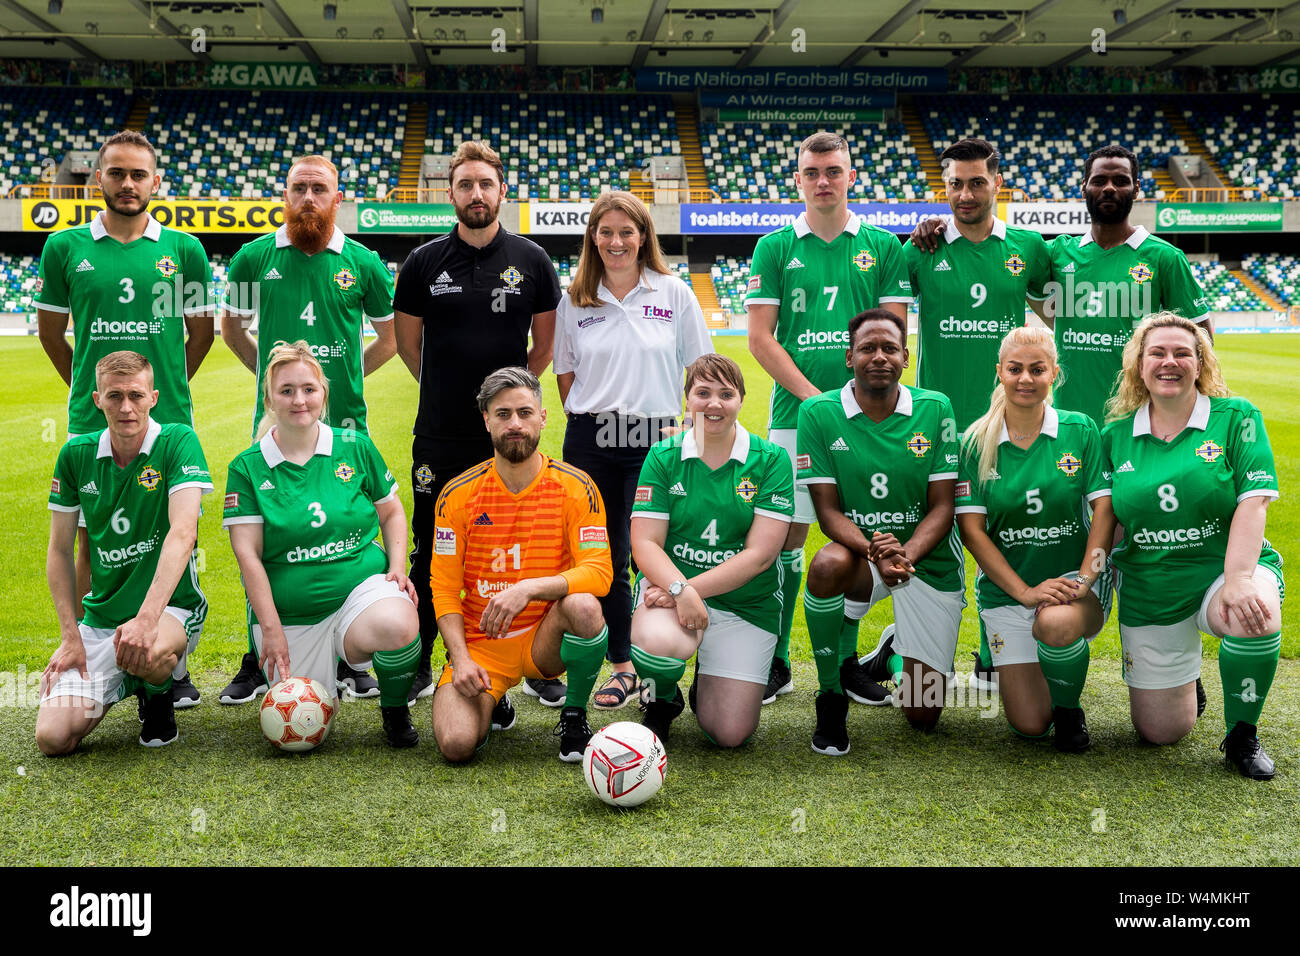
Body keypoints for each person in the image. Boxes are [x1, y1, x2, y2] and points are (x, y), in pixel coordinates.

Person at [35, 130, 215, 709]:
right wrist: (98, 398)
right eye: (117, 173)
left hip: (166, 424)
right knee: (89, 541)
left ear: (156, 182)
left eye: (140, 175)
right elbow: (50, 334)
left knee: (174, 535)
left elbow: (203, 332)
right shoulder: (64, 248)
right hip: (93, 424)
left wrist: (152, 399)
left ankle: (170, 658)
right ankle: (89, 642)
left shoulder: (184, 250)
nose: (129, 184)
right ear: (98, 179)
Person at [219, 154, 398, 706]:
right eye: (299, 188)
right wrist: (280, 392)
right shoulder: (253, 258)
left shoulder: (364, 262)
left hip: (345, 427)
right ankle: (256, 656)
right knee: (267, 539)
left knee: (344, 532)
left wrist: (333, 382)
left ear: (337, 198)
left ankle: (351, 654)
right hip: (272, 432)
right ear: (284, 194)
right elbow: (230, 330)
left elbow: (388, 340)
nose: (309, 199)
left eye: (320, 189)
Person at [745, 131, 912, 706]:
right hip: (798, 417)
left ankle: (847, 663)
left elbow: (892, 337)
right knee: (785, 536)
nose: (823, 181)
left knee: (866, 535)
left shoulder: (883, 247)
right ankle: (776, 659)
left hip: (874, 420)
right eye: (812, 172)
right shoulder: (773, 247)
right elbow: (761, 340)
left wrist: (850, 408)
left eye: (833, 171)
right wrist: (824, 403)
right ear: (798, 179)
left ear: (851, 176)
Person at [394, 140, 560, 716]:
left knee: (523, 547)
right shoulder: (422, 263)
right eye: (465, 185)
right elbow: (409, 348)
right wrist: (451, 394)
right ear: (451, 194)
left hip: (510, 435)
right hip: (439, 433)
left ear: (501, 192)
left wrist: (504, 405)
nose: (476, 194)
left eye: (485, 184)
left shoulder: (533, 262)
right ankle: (420, 658)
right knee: (429, 549)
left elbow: (543, 347)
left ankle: (534, 662)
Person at [1102, 313, 1283, 780]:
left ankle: (1242, 734)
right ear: (1138, 367)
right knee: (1161, 732)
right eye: (1157, 353)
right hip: (1152, 587)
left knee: (1253, 612)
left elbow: (1254, 501)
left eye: (1183, 352)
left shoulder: (1236, 416)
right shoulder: (1113, 436)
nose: (1170, 362)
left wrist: (1241, 579)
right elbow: (1110, 523)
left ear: (1201, 362)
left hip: (1222, 572)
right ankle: (1187, 675)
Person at [555, 191, 711, 712]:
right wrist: (597, 419)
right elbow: (566, 376)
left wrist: (680, 429)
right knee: (606, 554)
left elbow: (701, 369)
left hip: (656, 439)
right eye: (606, 232)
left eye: (627, 231)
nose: (616, 241)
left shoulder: (673, 291)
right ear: (592, 239)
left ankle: (662, 661)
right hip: (591, 441)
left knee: (656, 551)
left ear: (643, 235)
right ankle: (623, 667)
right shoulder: (574, 299)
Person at [223, 342, 421, 747]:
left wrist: (397, 567)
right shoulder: (247, 467)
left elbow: (392, 512)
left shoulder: (354, 446)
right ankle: (321, 673)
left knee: (398, 623)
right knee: (301, 737)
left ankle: (395, 710)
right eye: (287, 390)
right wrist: (271, 628)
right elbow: (248, 556)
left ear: (323, 394)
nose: (300, 400)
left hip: (358, 594)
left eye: (309, 389)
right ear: (270, 398)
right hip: (291, 615)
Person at [798, 310, 962, 754]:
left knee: (922, 715)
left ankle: (890, 653)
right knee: (826, 563)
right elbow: (828, 514)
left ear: (906, 358)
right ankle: (831, 695)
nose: (879, 357)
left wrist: (903, 554)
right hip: (864, 556)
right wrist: (877, 552)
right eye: (868, 348)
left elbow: (944, 506)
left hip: (928, 562)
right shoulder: (817, 412)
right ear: (849, 357)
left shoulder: (935, 407)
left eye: (890, 348)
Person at [430, 368, 613, 763]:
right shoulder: (456, 495)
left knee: (584, 605)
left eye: (525, 413)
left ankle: (575, 715)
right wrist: (460, 659)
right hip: (483, 647)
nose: (515, 424)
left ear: (543, 417)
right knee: (456, 745)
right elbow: (443, 588)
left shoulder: (576, 486)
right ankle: (492, 700)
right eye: (503, 414)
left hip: (544, 639)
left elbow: (599, 573)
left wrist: (528, 588)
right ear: (486, 420)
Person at [37, 351, 211, 753]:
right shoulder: (76, 455)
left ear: (153, 396)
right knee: (52, 738)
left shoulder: (178, 441)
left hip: (171, 610)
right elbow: (60, 551)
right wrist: (70, 635)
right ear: (96, 399)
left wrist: (146, 621)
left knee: (148, 650)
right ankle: (128, 675)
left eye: (136, 395)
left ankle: (157, 694)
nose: (126, 407)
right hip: (102, 620)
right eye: (114, 396)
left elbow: (183, 533)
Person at [953, 327, 1116, 751]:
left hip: (1072, 583)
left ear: (1054, 373)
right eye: (1016, 369)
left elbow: (1105, 510)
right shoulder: (972, 444)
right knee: (1028, 725)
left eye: (1037, 370)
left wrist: (1086, 579)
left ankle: (1069, 709)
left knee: (1056, 624)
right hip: (1010, 594)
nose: (1026, 379)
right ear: (1000, 373)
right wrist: (1024, 592)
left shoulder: (1080, 430)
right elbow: (972, 532)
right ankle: (1050, 679)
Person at [629, 354, 792, 745]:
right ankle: (660, 700)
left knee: (729, 734)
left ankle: (709, 677)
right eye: (703, 393)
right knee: (657, 645)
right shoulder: (664, 454)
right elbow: (644, 541)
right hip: (671, 591)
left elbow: (761, 555)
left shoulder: (770, 460)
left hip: (745, 602)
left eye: (726, 393)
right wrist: (678, 589)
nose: (714, 403)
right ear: (687, 399)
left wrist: (691, 591)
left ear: (741, 400)